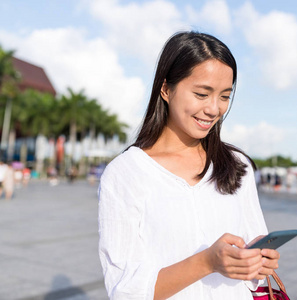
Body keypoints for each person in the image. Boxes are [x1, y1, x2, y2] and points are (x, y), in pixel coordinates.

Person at [98, 32, 280, 300]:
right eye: (202, 93)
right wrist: (207, 262)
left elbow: (255, 274)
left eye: (224, 96)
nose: (214, 109)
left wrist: (257, 263)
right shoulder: (125, 173)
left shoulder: (237, 166)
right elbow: (124, 289)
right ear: (166, 89)